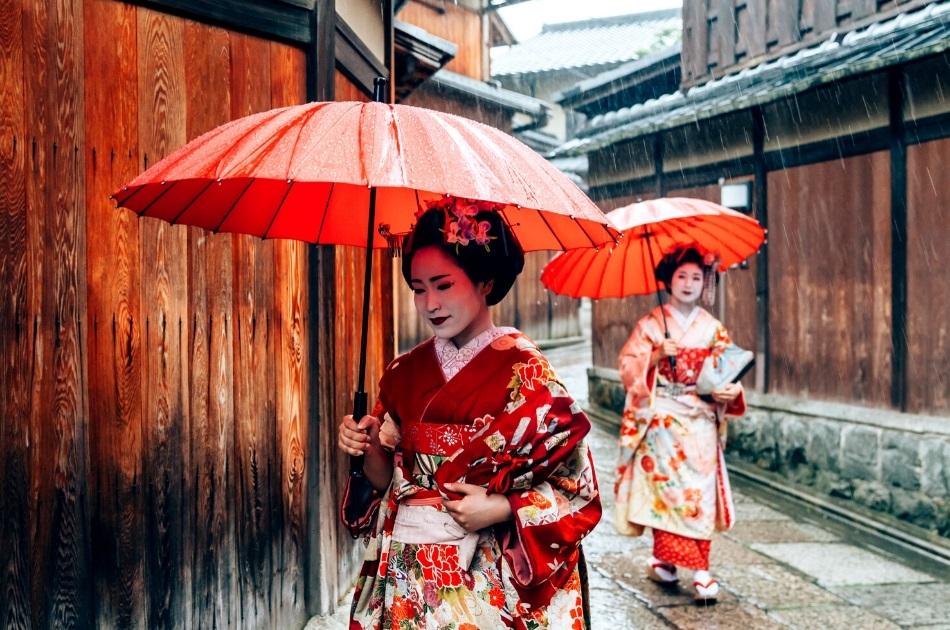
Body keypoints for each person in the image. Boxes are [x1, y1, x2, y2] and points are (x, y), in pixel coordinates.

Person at [338, 197, 602, 630]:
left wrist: (501, 507)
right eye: (418, 289)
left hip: (488, 568)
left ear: (485, 280)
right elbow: (387, 482)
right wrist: (366, 447)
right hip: (411, 565)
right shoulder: (404, 373)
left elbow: (578, 489)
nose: (429, 303)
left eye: (443, 285)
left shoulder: (528, 372)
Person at [614, 246, 750, 602]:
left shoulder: (713, 329)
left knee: (699, 494)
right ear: (668, 281)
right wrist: (655, 355)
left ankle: (702, 569)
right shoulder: (651, 324)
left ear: (705, 282)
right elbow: (628, 367)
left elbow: (728, 372)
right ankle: (665, 560)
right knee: (666, 494)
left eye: (696, 277)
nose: (689, 284)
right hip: (662, 422)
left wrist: (728, 391)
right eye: (681, 276)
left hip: (700, 419)